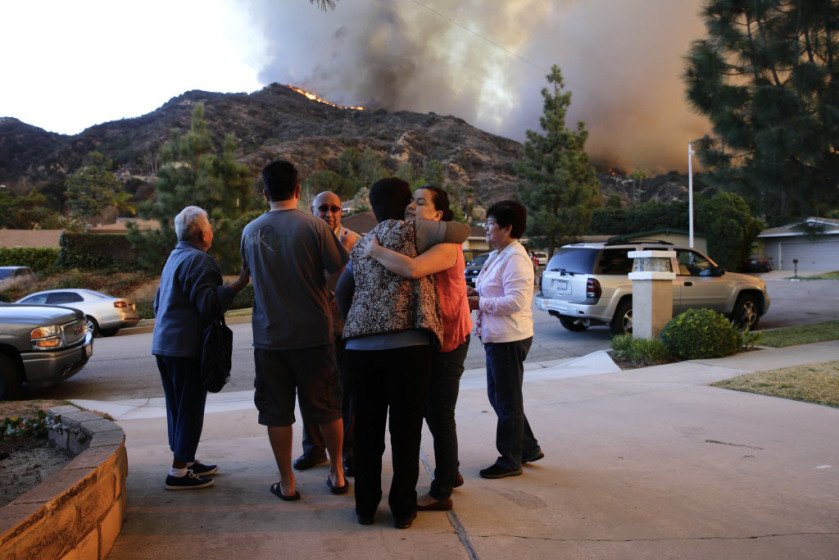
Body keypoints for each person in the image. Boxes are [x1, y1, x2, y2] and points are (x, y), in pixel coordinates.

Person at [336, 178, 469, 529]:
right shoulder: (417, 233)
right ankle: (402, 509)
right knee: (406, 431)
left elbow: (341, 292)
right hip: (408, 347)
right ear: (407, 204)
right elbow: (461, 230)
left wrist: (359, 320)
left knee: (367, 432)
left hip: (361, 349)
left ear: (373, 205)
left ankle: (365, 508)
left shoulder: (362, 243)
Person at [240, 160, 348, 501]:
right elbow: (340, 270)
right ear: (298, 191)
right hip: (315, 334)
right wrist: (326, 294)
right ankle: (338, 473)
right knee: (328, 406)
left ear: (265, 192)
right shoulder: (315, 227)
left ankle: (287, 483)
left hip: (269, 338)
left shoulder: (249, 231)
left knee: (277, 411)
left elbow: (250, 278)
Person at [152, 206, 249, 490]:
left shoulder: (174, 256)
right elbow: (209, 305)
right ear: (203, 233)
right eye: (211, 227)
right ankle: (179, 472)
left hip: (165, 344)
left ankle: (186, 459)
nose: (212, 232)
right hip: (186, 348)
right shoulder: (200, 261)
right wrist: (239, 284)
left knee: (177, 408)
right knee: (190, 408)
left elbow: (158, 303)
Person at [468, 200, 544, 479]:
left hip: (509, 338)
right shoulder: (499, 254)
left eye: (490, 224)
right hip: (497, 336)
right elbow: (489, 289)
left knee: (507, 399)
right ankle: (528, 447)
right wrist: (472, 292)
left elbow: (516, 301)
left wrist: (479, 303)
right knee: (502, 396)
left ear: (507, 228)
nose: (486, 229)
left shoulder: (516, 258)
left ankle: (510, 459)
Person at [294, 191, 360, 474]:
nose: (329, 213)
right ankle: (314, 449)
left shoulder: (355, 241)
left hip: (345, 330)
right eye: (323, 208)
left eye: (334, 208)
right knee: (311, 392)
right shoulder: (302, 240)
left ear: (341, 212)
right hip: (313, 329)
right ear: (312, 210)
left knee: (347, 393)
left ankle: (349, 451)